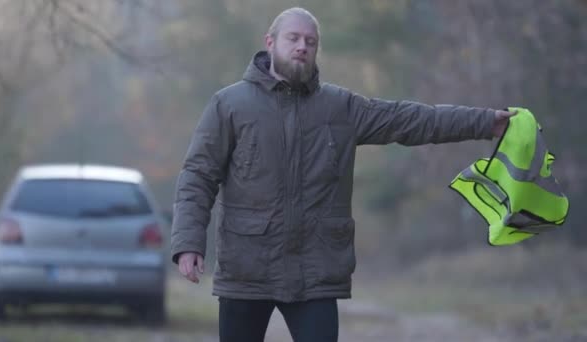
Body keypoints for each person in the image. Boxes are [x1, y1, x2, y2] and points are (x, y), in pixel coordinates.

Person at [170, 7, 515, 342]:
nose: (303, 46)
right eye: (294, 38)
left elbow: (410, 120)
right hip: (246, 270)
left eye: (311, 41)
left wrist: (486, 122)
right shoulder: (229, 105)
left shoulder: (341, 108)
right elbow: (198, 176)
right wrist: (188, 243)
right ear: (270, 42)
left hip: (315, 273)